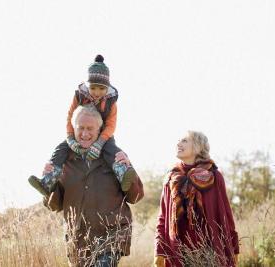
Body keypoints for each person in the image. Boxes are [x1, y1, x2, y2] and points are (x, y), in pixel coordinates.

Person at [44, 104, 144, 266]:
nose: (85, 133)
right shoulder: (63, 161)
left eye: (90, 128)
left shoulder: (115, 156)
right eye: (80, 128)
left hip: (111, 236)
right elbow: (54, 206)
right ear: (73, 129)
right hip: (77, 240)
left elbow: (136, 197)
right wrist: (50, 185)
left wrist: (129, 168)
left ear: (100, 130)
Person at [29, 54, 136, 196]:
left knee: (112, 150)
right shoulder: (79, 95)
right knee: (60, 150)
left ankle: (122, 174)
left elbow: (111, 124)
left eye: (101, 89)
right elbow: (70, 117)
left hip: (104, 134)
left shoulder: (111, 101)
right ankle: (48, 180)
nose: (97, 92)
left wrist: (100, 143)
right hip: (78, 133)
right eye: (93, 88)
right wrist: (70, 138)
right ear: (88, 85)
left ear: (107, 87)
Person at [154, 131, 239, 267]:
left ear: (198, 147)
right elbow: (163, 218)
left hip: (210, 251)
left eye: (184, 141)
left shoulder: (214, 176)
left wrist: (233, 247)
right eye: (178, 140)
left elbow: (226, 215)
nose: (178, 143)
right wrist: (159, 250)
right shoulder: (171, 178)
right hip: (178, 251)